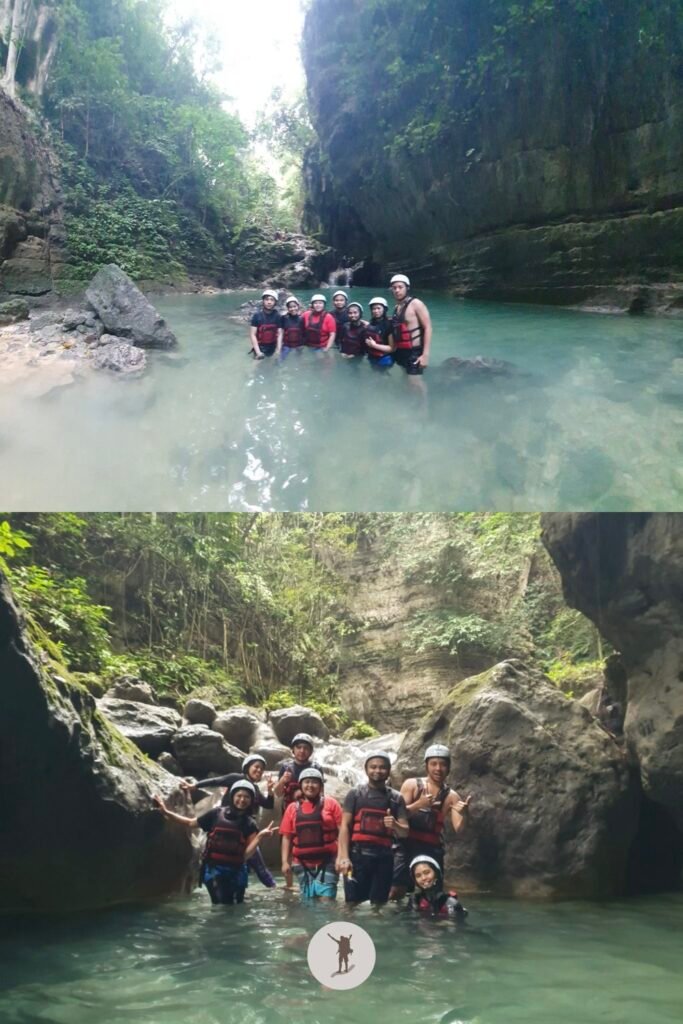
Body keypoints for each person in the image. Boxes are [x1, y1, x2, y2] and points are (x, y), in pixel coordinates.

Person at [154, 780, 278, 905]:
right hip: (214, 869)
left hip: (236, 871)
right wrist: (166, 812)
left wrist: (260, 836)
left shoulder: (250, 824)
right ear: (232, 797)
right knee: (220, 903)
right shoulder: (216, 814)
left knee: (232, 905)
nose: (242, 800)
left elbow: (245, 856)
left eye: (246, 797)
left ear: (251, 800)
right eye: (239, 796)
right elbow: (190, 823)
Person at [179, 753, 276, 888]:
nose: (259, 770)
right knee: (250, 865)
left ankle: (268, 888)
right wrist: (194, 786)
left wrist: (270, 791)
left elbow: (268, 805)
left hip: (244, 831)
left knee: (255, 865)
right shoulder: (235, 778)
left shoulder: (255, 789)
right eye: (256, 767)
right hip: (225, 826)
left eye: (261, 769)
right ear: (247, 767)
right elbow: (216, 781)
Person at [390, 744, 471, 899]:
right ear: (426, 765)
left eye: (443, 764)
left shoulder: (452, 796)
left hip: (431, 847)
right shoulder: (411, 785)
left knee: (434, 894)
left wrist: (465, 814)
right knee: (396, 890)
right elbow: (398, 816)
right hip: (405, 845)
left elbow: (459, 830)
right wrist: (419, 804)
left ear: (449, 768)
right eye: (434, 764)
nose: (438, 768)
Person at [336, 751, 409, 906]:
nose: (377, 771)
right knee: (351, 904)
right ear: (366, 769)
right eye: (373, 767)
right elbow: (345, 827)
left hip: (384, 859)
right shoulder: (354, 794)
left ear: (389, 770)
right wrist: (344, 857)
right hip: (357, 857)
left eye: (382, 767)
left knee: (378, 906)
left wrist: (395, 825)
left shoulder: (396, 798)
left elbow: (404, 832)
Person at [280, 767, 342, 900]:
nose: (310, 785)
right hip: (301, 863)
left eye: (314, 782)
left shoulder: (331, 804)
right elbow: (286, 837)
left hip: (328, 860)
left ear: (320, 785)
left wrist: (341, 857)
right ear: (301, 785)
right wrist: (285, 862)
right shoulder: (292, 808)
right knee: (307, 902)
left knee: (326, 901)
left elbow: (342, 832)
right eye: (306, 782)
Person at [273, 733, 325, 888]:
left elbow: (321, 793)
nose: (302, 751)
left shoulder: (316, 768)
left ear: (311, 751)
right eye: (299, 747)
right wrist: (283, 780)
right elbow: (278, 793)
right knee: (287, 848)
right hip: (290, 814)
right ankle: (289, 885)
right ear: (293, 750)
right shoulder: (286, 768)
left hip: (311, 814)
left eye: (306, 748)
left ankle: (315, 880)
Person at [389, 274, 432, 374]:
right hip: (401, 351)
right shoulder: (397, 307)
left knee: (415, 381)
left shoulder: (416, 304)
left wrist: (425, 355)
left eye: (400, 287)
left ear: (407, 288)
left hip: (414, 352)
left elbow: (428, 327)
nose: (397, 290)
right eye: (394, 288)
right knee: (406, 377)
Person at [407, 854, 467, 919]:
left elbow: (455, 924)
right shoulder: (415, 900)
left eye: (427, 872)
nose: (423, 878)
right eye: (418, 876)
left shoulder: (451, 903)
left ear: (436, 873)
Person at [249, 290, 282, 359]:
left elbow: (280, 334)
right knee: (256, 364)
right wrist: (258, 352)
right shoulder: (257, 316)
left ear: (275, 302)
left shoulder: (278, 316)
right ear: (263, 301)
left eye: (272, 300)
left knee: (274, 363)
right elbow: (252, 334)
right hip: (260, 346)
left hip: (272, 346)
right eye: (267, 299)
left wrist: (278, 349)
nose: (269, 302)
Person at [365, 297, 395, 368]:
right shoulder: (371, 323)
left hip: (385, 358)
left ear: (384, 309)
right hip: (372, 356)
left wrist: (374, 345)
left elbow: (392, 348)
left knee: (381, 373)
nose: (376, 311)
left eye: (378, 308)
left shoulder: (389, 325)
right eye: (373, 309)